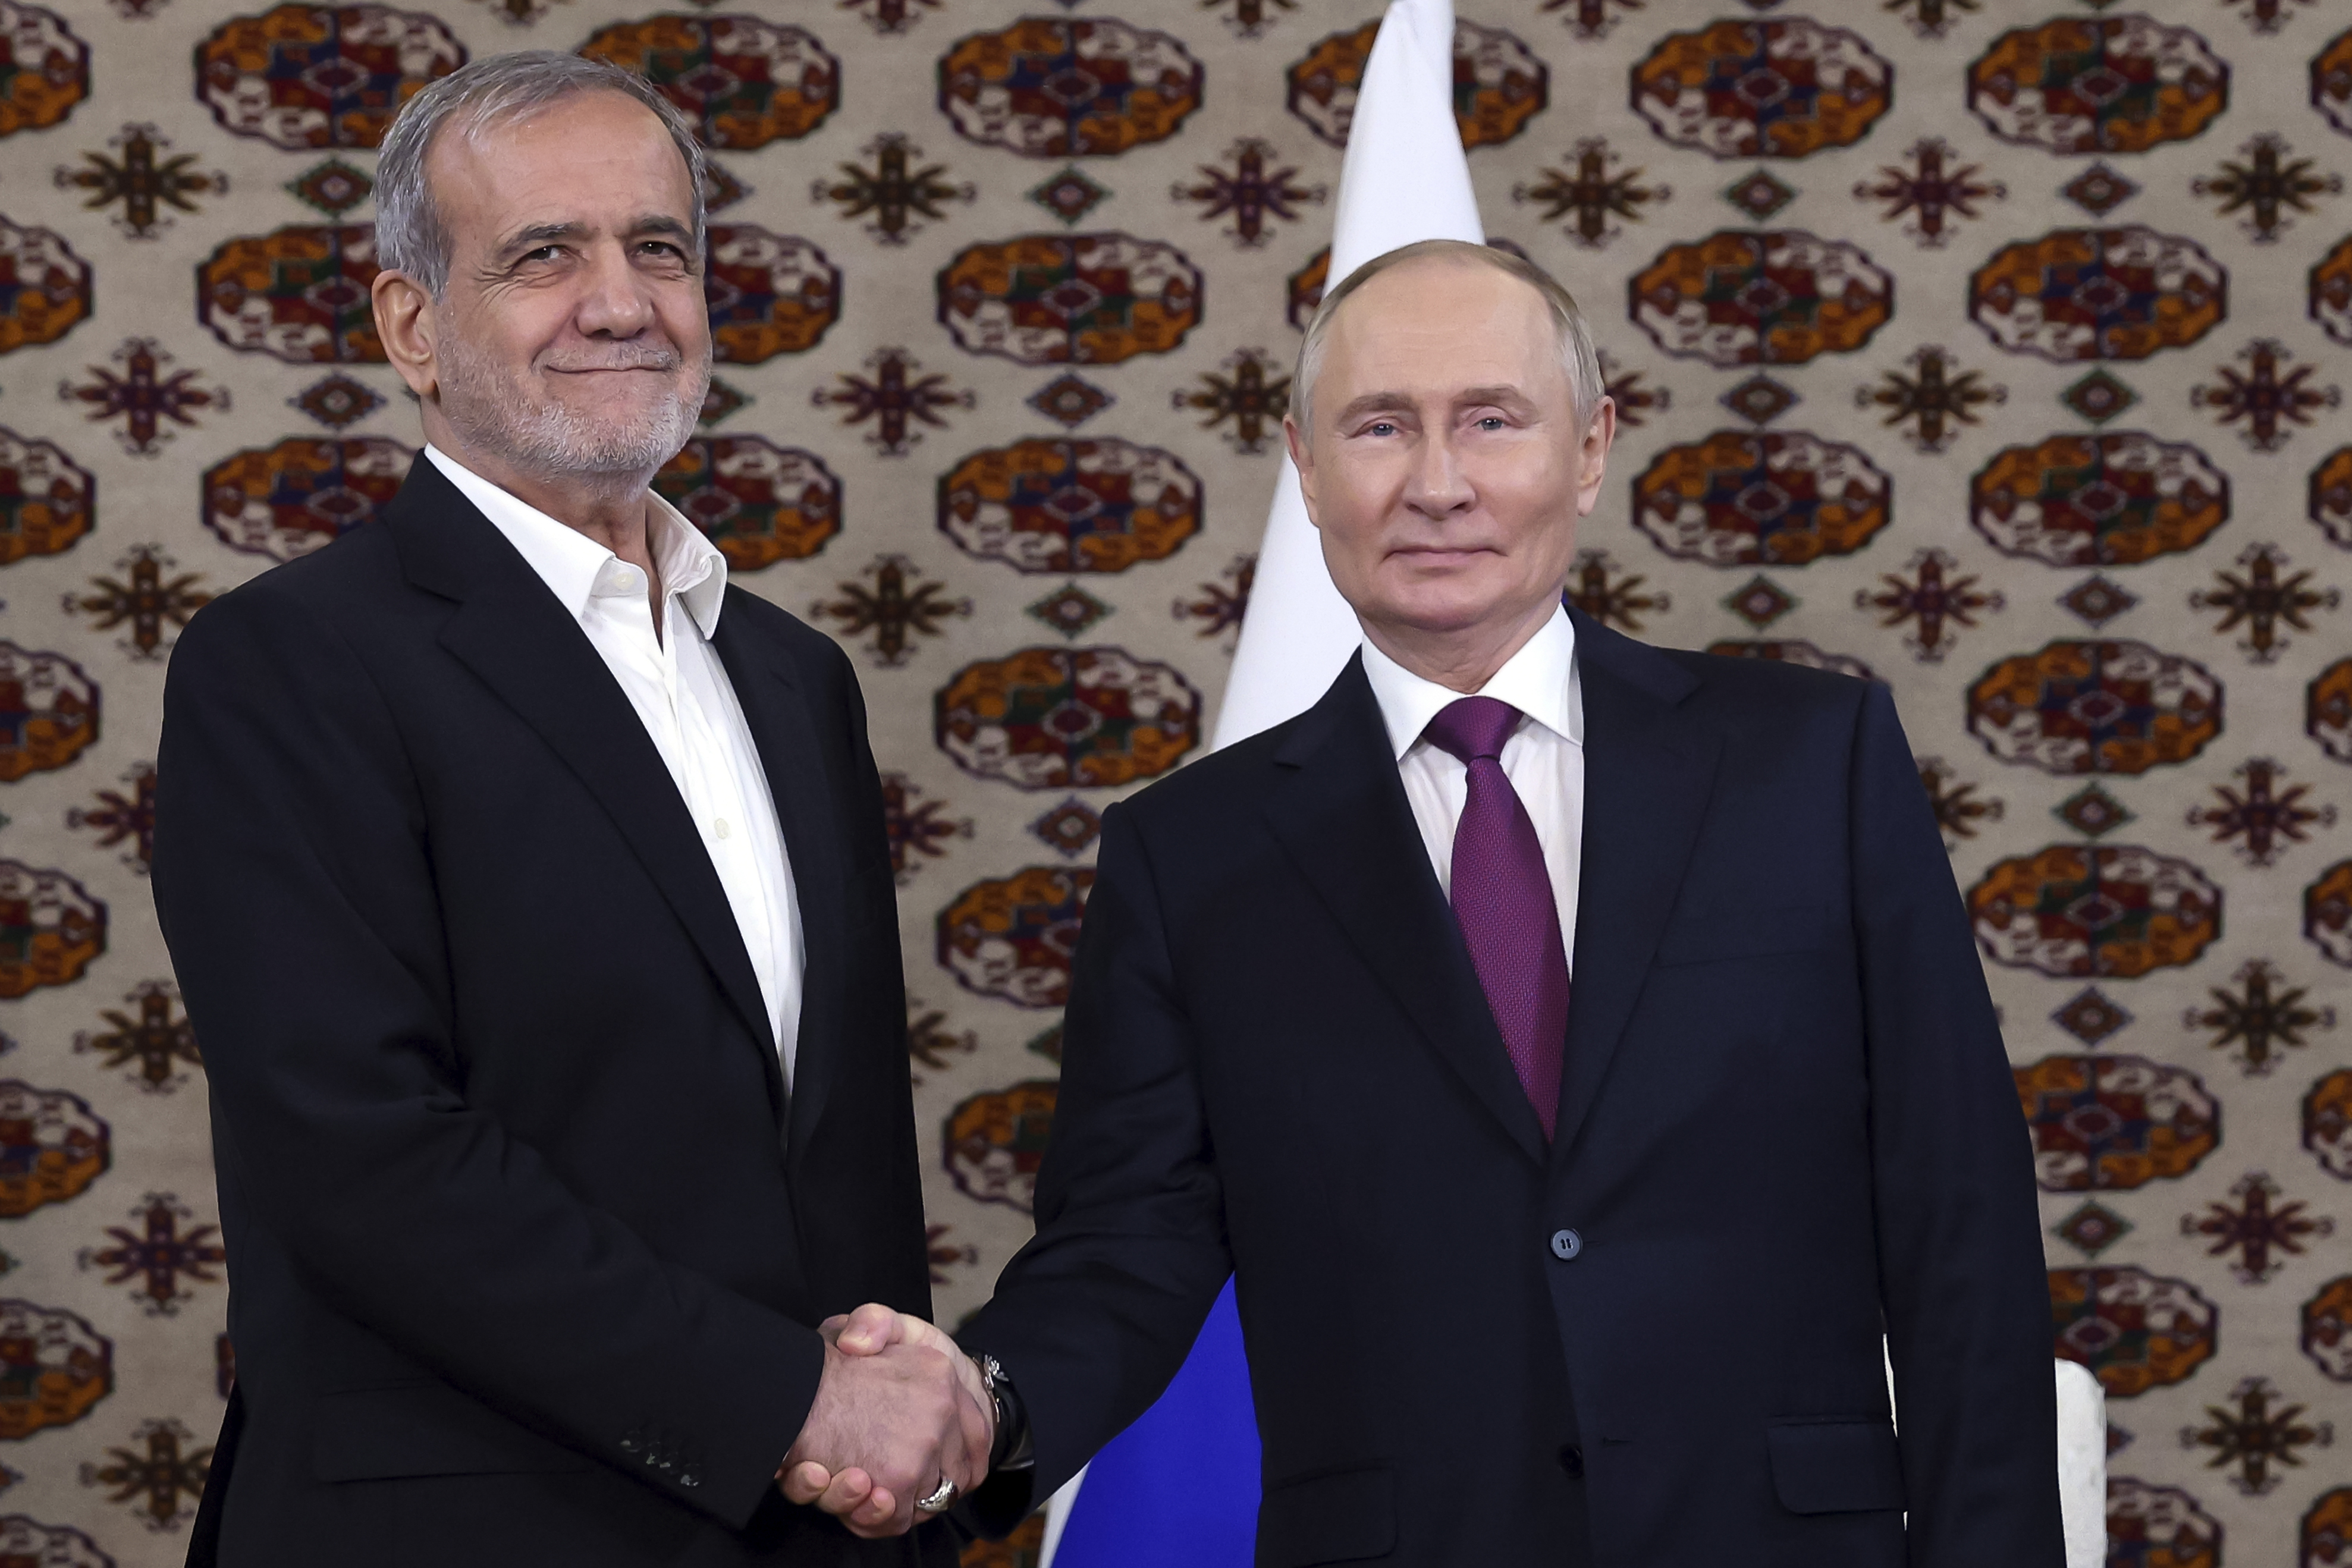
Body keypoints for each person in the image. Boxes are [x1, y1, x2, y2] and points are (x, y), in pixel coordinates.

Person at [802, 240, 2064, 1564]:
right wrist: (977, 1404)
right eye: (1381, 425)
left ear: (1589, 447)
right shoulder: (1191, 857)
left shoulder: (1814, 764)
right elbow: (1131, 1245)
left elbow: (1959, 1222)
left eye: (1491, 420)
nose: (1437, 483)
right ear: (1304, 463)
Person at [150, 52, 985, 1567]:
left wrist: (888, 1471)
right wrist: (789, 1398)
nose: (622, 301)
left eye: (658, 247)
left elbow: (837, 1174)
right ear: (412, 323)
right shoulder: (287, 665)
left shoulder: (795, 680)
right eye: (544, 255)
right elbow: (367, 1160)